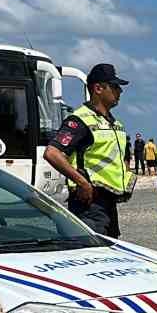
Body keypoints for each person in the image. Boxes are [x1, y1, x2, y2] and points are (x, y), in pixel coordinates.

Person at [43, 63, 132, 238]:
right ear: (98, 88)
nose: (119, 92)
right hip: (89, 203)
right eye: (114, 87)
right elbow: (52, 153)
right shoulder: (80, 120)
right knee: (94, 251)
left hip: (109, 202)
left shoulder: (114, 124)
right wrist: (82, 183)